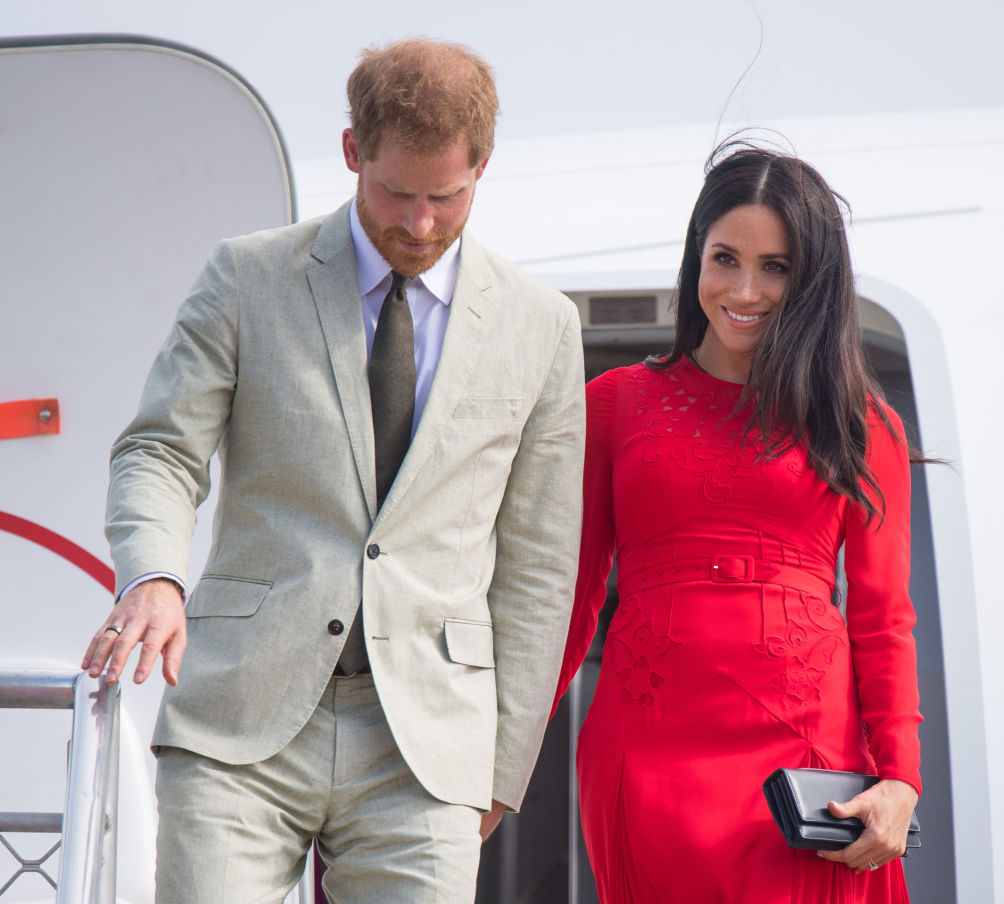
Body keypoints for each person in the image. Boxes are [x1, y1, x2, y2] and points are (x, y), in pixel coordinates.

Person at [80, 38, 585, 903]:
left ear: (483, 169)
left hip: (426, 748)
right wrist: (155, 576)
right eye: (396, 193)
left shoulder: (542, 327)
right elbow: (160, 449)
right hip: (239, 721)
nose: (420, 224)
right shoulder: (247, 276)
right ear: (352, 152)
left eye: (446, 197)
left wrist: (500, 765)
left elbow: (539, 559)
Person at [553, 143, 922, 903]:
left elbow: (885, 621)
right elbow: (567, 602)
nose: (744, 289)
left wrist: (902, 781)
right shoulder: (614, 405)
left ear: (811, 281)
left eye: (776, 268)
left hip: (804, 768)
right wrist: (497, 767)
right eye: (725, 258)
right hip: (648, 755)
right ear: (696, 260)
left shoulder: (860, 424)